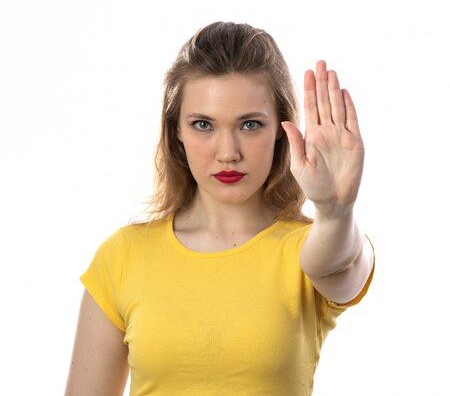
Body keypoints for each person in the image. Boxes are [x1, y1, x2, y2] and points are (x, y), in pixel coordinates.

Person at [64, 21, 375, 396]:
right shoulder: (122, 257)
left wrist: (336, 211)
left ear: (281, 127)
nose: (228, 152)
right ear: (175, 130)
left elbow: (340, 264)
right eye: (203, 124)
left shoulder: (310, 248)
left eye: (249, 124)